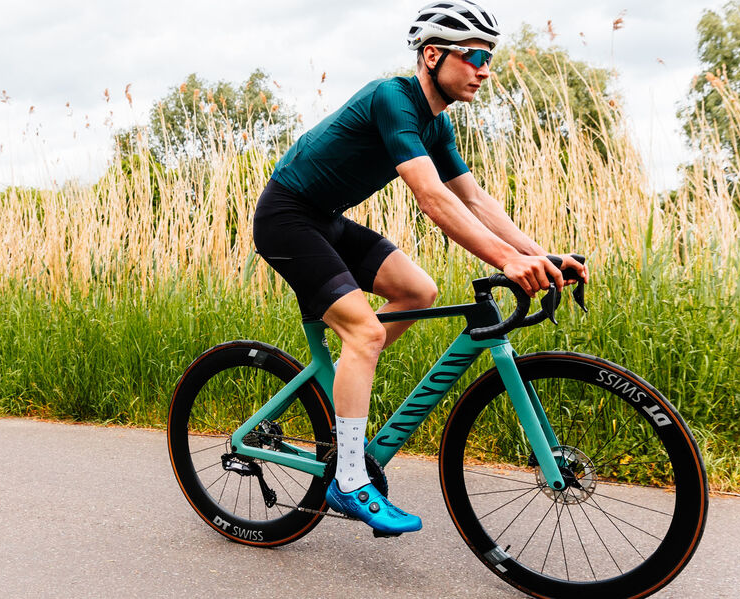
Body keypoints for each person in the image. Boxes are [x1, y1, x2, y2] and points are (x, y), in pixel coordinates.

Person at [252, 0, 590, 535]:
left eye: (489, 59)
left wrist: (538, 254)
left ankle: (347, 384)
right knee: (364, 332)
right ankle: (348, 481)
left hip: (326, 220)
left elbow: (476, 201)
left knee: (419, 291)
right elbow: (432, 198)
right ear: (433, 55)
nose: (485, 69)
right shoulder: (394, 99)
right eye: (475, 55)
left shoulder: (437, 127)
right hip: (286, 218)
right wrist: (508, 261)